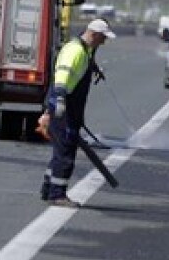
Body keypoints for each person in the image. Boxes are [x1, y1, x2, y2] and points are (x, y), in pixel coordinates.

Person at [39, 18, 116, 207]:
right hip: (63, 108)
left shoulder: (84, 49)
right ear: (94, 34)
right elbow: (63, 75)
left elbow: (86, 61)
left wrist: (94, 68)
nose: (104, 42)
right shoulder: (75, 51)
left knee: (61, 150)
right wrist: (58, 100)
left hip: (69, 109)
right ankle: (57, 194)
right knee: (65, 153)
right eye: (103, 38)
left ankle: (48, 188)